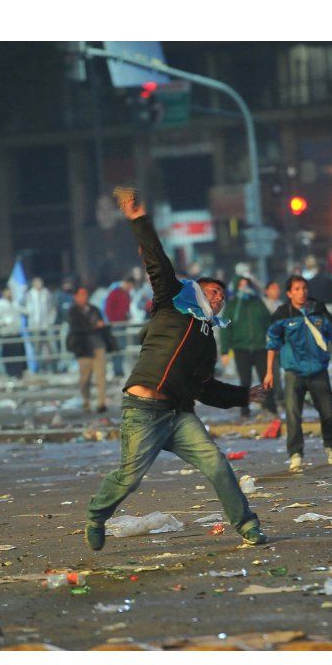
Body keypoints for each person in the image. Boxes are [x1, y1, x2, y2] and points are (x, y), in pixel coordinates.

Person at [85, 193, 268, 551]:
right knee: (129, 478)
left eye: (221, 297)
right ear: (198, 290)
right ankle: (96, 515)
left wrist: (243, 395)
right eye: (212, 291)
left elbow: (205, 387)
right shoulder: (170, 301)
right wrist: (139, 219)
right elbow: (157, 262)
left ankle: (248, 527)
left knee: (217, 464)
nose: (217, 299)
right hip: (142, 411)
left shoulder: (208, 340)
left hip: (179, 415)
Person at [264, 275, 332, 473]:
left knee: (328, 412)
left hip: (319, 371)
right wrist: (269, 372)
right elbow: (272, 345)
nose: (301, 292)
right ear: (289, 293)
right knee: (293, 415)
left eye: (304, 288)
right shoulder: (281, 314)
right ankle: (296, 455)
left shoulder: (318, 310)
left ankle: (331, 448)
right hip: (293, 373)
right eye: (296, 289)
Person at [220, 276, 278, 420]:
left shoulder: (258, 304)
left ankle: (270, 409)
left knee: (266, 380)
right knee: (244, 382)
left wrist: (273, 342)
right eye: (241, 285)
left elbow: (268, 323)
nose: (244, 287)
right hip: (241, 348)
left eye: (246, 284)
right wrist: (225, 351)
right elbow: (225, 329)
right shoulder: (232, 306)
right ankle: (244, 413)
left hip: (260, 347)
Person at [67, 287, 108, 413]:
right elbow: (76, 328)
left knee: (100, 376)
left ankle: (101, 403)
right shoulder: (73, 311)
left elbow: (102, 324)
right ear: (76, 297)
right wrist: (93, 326)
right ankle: (86, 402)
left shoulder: (94, 309)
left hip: (98, 346)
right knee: (85, 378)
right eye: (81, 295)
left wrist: (98, 326)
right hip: (83, 348)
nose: (84, 297)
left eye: (85, 294)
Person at [0, 288, 26, 378]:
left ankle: (19, 374)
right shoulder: (0, 304)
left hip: (16, 333)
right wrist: (2, 322)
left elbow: (24, 310)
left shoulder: (15, 303)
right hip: (7, 334)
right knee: (9, 356)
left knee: (19, 355)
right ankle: (11, 374)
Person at [104, 276, 135, 379]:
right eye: (130, 286)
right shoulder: (115, 293)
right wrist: (112, 321)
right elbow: (108, 308)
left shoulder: (126, 294)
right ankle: (117, 371)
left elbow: (126, 309)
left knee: (121, 348)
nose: (130, 288)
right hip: (116, 325)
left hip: (123, 324)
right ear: (127, 283)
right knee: (116, 348)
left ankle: (119, 370)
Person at [25, 277, 56, 373]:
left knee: (52, 347)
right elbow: (20, 306)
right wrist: (28, 312)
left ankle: (53, 368)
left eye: (40, 282)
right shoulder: (29, 295)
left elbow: (52, 307)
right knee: (37, 348)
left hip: (47, 325)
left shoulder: (47, 293)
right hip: (35, 326)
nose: (39, 284)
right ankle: (39, 368)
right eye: (37, 283)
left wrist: (51, 320)